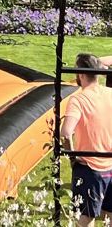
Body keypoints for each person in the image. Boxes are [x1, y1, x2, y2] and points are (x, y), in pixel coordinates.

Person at [61, 52, 112, 226]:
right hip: (110, 164)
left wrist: (72, 157)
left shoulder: (78, 99)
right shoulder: (110, 93)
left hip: (89, 168)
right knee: (109, 216)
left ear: (80, 74)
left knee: (85, 218)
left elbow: (66, 133)